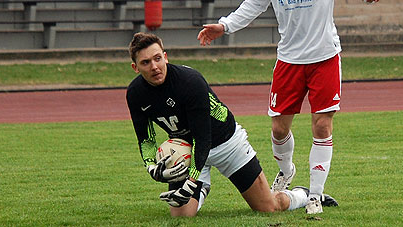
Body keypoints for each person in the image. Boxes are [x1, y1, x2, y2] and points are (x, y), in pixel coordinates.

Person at [197, 0, 380, 214]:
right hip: (289, 60)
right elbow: (254, 3)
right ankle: (287, 170)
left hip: (324, 56)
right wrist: (224, 25)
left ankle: (315, 197)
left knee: (322, 126)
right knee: (279, 130)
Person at [126, 32, 310, 217]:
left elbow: (203, 138)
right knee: (181, 215)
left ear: (165, 57)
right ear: (135, 67)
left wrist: (191, 181)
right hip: (187, 150)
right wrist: (151, 167)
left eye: (158, 58)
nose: (155, 66)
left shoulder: (190, 81)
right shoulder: (135, 93)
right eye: (146, 62)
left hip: (226, 144)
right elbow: (146, 139)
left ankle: (303, 195)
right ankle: (202, 187)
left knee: (268, 207)